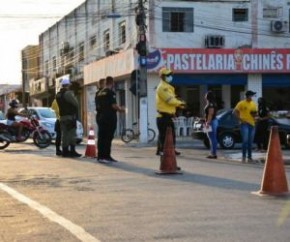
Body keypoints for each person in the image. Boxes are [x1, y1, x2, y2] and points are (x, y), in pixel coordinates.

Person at [155, 67, 186, 157]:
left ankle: (171, 149)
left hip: (168, 116)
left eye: (170, 75)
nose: (170, 77)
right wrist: (181, 103)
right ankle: (161, 151)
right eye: (168, 75)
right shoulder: (162, 88)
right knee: (164, 135)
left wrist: (180, 105)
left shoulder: (169, 87)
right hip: (163, 116)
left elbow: (172, 101)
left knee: (171, 135)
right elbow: (169, 100)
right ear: (162, 77)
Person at [95, 76, 125, 163]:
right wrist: (121, 109)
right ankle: (106, 156)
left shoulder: (100, 93)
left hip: (101, 117)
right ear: (112, 83)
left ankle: (100, 156)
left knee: (101, 137)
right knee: (108, 137)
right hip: (109, 118)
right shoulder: (110, 92)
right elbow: (114, 105)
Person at [56, 78, 82, 158]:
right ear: (68, 85)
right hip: (69, 117)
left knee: (64, 135)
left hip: (62, 117)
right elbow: (76, 103)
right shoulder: (68, 93)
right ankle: (72, 151)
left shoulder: (58, 94)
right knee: (71, 134)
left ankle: (65, 151)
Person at [233, 90, 257, 163]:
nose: (252, 97)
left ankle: (249, 157)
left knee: (250, 142)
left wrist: (255, 117)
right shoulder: (241, 103)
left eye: (252, 95)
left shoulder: (253, 104)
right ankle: (243, 157)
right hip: (244, 124)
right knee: (245, 141)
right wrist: (240, 119)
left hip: (252, 124)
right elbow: (234, 112)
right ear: (247, 96)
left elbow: (254, 114)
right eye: (251, 95)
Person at [204, 91, 218, 159]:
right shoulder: (213, 103)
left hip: (211, 121)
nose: (205, 96)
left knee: (212, 138)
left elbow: (210, 113)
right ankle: (213, 152)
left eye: (206, 95)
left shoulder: (210, 104)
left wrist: (207, 122)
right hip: (213, 121)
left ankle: (213, 153)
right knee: (212, 137)